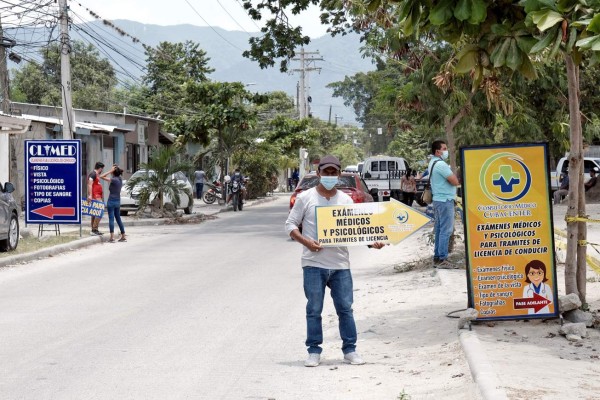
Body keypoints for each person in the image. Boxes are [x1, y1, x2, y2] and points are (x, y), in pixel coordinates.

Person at [285, 155, 386, 368]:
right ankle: (314, 351)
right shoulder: (306, 198)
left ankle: (350, 350)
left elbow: (356, 230)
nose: (330, 176)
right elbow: (290, 225)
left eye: (333, 172)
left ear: (338, 174)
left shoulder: (346, 200)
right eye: (326, 172)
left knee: (345, 309)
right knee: (314, 309)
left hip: (340, 265)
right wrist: (307, 242)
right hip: (313, 263)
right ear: (318, 173)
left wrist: (372, 242)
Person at [429, 140, 460, 269]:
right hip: (445, 200)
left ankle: (437, 257)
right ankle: (442, 258)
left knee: (440, 229)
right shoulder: (441, 164)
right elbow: (454, 181)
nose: (446, 151)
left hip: (438, 200)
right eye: (444, 148)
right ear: (438, 151)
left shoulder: (432, 163)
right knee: (446, 230)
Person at [101, 165, 126, 243]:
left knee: (111, 219)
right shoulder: (120, 179)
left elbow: (101, 176)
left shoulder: (114, 180)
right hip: (118, 201)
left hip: (111, 201)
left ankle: (111, 237)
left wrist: (110, 171)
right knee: (118, 218)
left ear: (113, 173)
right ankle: (123, 235)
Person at [87, 161, 108, 235]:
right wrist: (90, 195)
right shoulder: (93, 174)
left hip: (97, 195)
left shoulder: (96, 174)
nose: (102, 170)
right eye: (102, 169)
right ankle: (94, 229)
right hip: (95, 196)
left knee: (94, 212)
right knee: (100, 211)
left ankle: (94, 229)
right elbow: (90, 184)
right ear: (100, 168)